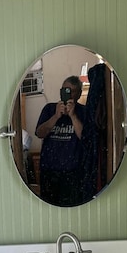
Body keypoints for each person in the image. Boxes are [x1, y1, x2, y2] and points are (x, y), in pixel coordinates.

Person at [35, 75, 87, 206]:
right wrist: (56, 117)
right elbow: (39, 133)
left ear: (79, 94)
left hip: (74, 172)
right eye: (64, 90)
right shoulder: (49, 109)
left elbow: (85, 138)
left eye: (71, 91)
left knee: (73, 206)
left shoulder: (83, 111)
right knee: (49, 206)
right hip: (49, 169)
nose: (67, 94)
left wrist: (73, 116)